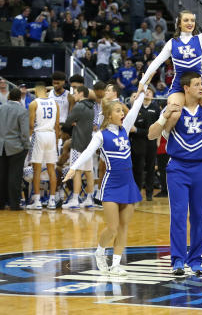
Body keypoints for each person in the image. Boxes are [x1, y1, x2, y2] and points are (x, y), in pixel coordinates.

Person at [148, 72, 202, 276]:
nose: (201, 88)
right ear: (186, 88)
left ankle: (196, 260)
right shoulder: (175, 110)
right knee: (178, 216)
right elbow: (152, 134)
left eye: (201, 84)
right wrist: (164, 115)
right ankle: (178, 260)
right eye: (196, 84)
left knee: (199, 217)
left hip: (201, 168)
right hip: (178, 168)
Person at [63, 91, 146, 275]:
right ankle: (100, 252)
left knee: (124, 227)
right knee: (112, 227)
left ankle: (116, 265)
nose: (122, 113)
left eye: (122, 111)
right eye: (118, 111)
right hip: (111, 183)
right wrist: (74, 167)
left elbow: (136, 107)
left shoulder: (125, 128)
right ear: (109, 116)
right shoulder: (100, 135)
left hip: (129, 183)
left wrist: (143, 87)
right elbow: (87, 152)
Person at [138, 8, 202, 135]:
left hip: (199, 84)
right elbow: (156, 62)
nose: (190, 23)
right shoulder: (172, 43)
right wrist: (142, 83)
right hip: (179, 85)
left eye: (192, 20)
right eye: (186, 20)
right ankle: (168, 135)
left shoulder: (200, 39)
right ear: (179, 23)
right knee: (174, 115)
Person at [27, 83, 61, 210]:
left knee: (37, 170)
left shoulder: (34, 104)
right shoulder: (55, 103)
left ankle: (37, 201)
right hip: (51, 135)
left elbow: (31, 125)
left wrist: (29, 139)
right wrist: (56, 141)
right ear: (46, 91)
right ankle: (52, 201)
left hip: (39, 135)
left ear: (36, 91)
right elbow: (57, 125)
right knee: (51, 170)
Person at [63, 85, 97, 209]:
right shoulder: (91, 107)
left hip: (78, 143)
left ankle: (75, 199)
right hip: (89, 143)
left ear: (81, 93)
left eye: (76, 93)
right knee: (89, 172)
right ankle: (89, 199)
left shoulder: (79, 106)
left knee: (76, 171)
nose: (74, 95)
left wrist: (73, 123)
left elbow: (67, 122)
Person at [0, 88, 30, 210]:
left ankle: (1, 203)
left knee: (1, 176)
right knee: (15, 176)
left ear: (8, 97)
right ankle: (14, 204)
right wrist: (27, 146)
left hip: (1, 146)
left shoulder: (1, 108)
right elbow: (24, 133)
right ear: (19, 98)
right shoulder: (22, 111)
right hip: (16, 148)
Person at [130, 87, 160, 200]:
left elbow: (159, 126)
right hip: (138, 143)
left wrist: (158, 140)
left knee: (151, 168)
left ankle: (149, 193)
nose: (147, 93)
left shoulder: (156, 108)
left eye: (150, 92)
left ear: (152, 95)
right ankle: (137, 191)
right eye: (145, 92)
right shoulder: (137, 108)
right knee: (138, 168)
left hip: (151, 142)